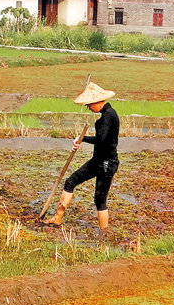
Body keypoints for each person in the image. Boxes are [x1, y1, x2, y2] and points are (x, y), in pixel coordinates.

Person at [43, 82, 119, 231]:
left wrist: (82, 139)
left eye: (89, 105)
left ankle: (105, 232)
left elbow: (101, 141)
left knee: (100, 199)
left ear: (96, 101)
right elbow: (100, 141)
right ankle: (57, 218)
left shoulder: (108, 117)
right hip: (97, 160)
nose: (89, 108)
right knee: (70, 182)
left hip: (107, 163)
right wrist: (80, 138)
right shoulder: (106, 115)